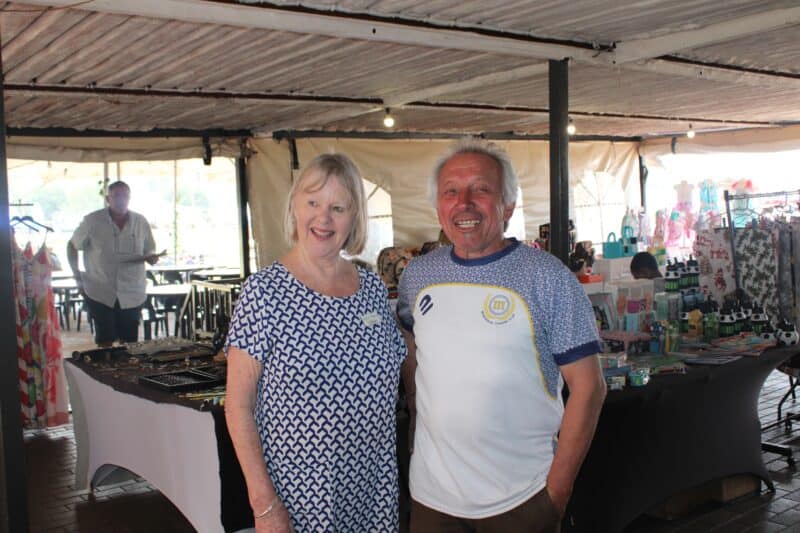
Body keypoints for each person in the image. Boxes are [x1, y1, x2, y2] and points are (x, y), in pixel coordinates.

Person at [397, 139, 607, 531]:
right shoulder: (417, 276)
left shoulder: (548, 278)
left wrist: (555, 494)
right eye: (451, 191)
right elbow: (411, 343)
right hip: (432, 499)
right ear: (438, 206)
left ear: (508, 206)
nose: (465, 202)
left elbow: (590, 389)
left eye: (481, 188)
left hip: (521, 498)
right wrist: (414, 403)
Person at [224, 153, 407, 532]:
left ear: (354, 217)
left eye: (338, 207)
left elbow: (399, 368)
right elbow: (238, 407)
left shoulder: (371, 288)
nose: (323, 219)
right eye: (313, 203)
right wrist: (264, 506)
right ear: (294, 206)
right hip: (300, 500)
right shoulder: (264, 293)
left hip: (373, 491)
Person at [68, 181, 160, 347]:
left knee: (130, 342)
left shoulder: (140, 221)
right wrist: (77, 277)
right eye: (116, 195)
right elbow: (72, 245)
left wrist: (152, 257)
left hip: (132, 291)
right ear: (107, 198)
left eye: (125, 195)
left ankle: (128, 371)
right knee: (105, 340)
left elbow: (150, 249)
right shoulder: (93, 221)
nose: (121, 199)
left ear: (130, 198)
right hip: (100, 290)